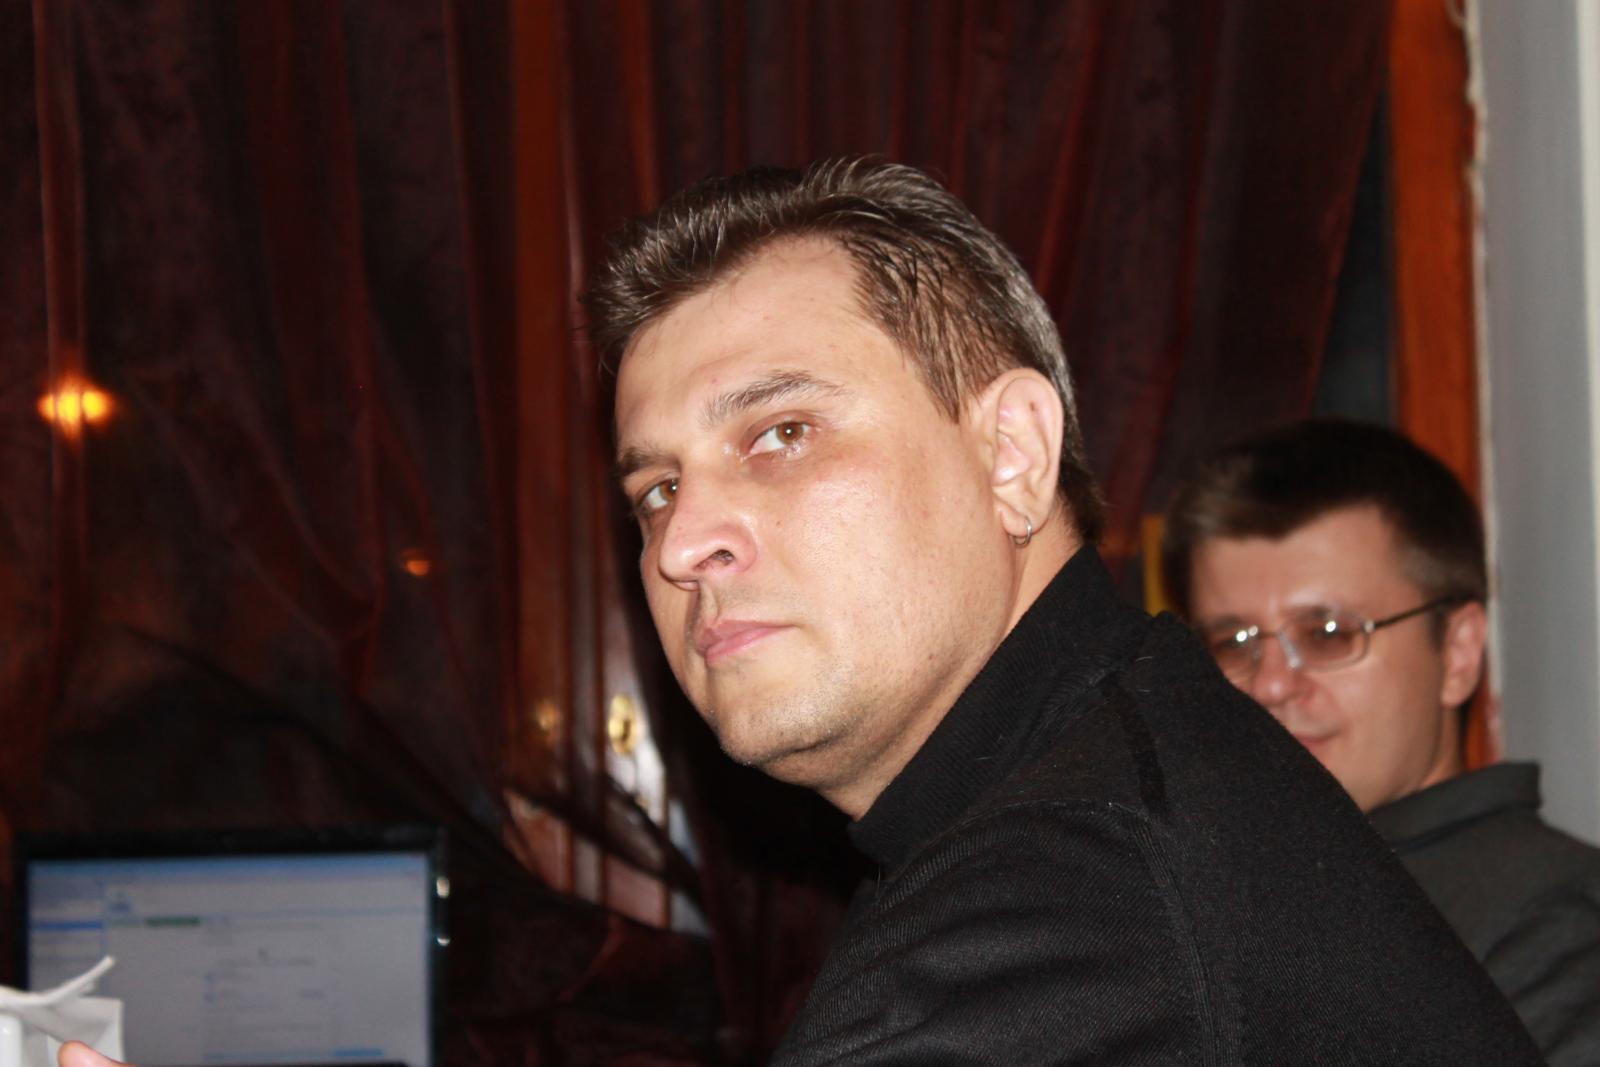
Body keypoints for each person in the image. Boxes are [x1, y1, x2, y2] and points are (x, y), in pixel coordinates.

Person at [57, 163, 1543, 1067]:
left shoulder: (1064, 888)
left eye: (779, 433)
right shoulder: (1112, 767)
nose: (682, 537)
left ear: (1012, 453)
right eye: (653, 486)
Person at [1161, 417, 1600, 1065]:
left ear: (1458, 654)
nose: (1272, 684)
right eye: (1233, 642)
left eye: (1329, 633)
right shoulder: (1194, 894)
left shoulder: (1555, 921)